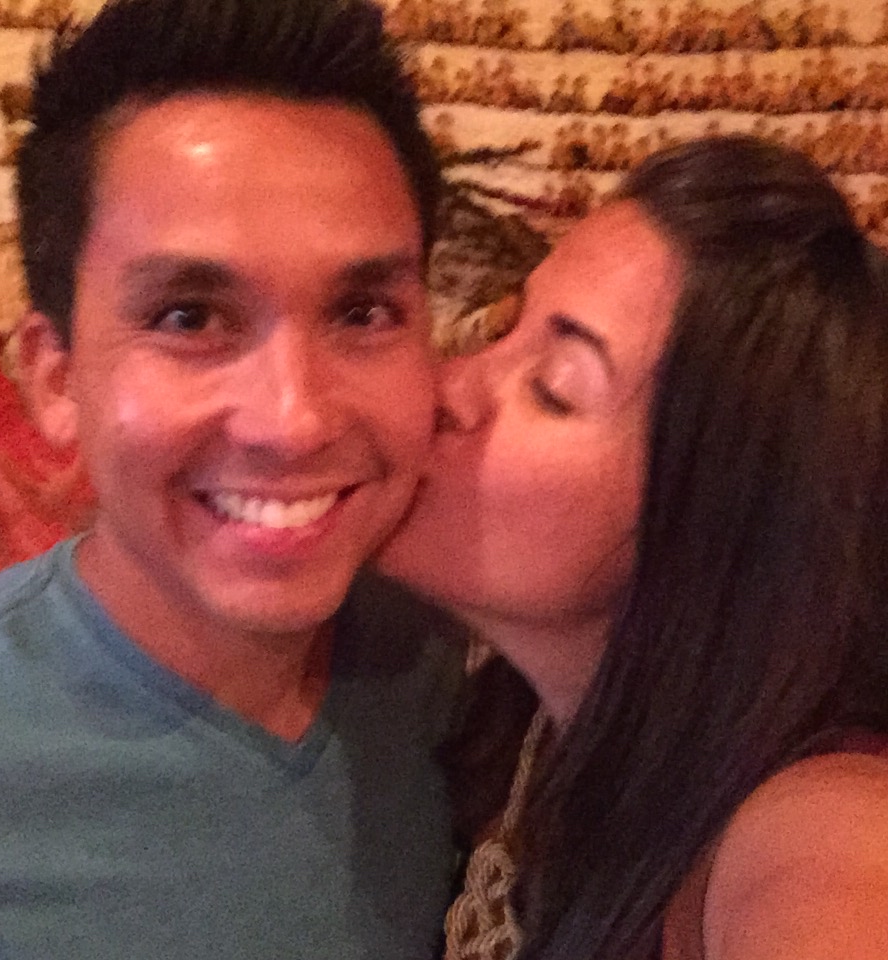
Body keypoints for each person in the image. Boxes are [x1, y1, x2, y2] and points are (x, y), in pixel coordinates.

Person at [0, 1, 464, 957]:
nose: (294, 419)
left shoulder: (466, 677)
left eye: (363, 312)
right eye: (189, 318)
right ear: (55, 379)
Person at [380, 134, 888, 960]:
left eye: (554, 388)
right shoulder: (517, 734)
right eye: (505, 329)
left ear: (715, 514)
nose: (449, 387)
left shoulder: (821, 825)